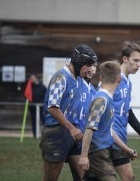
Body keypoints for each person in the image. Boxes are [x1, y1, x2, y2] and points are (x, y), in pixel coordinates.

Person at [39, 44, 98, 181]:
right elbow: (52, 107)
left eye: (93, 65)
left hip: (75, 134)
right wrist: (71, 128)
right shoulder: (61, 77)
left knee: (86, 177)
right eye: (88, 65)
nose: (91, 69)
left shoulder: (79, 80)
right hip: (56, 134)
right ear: (77, 63)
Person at [78, 61, 137, 181]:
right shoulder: (101, 100)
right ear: (119, 80)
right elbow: (89, 128)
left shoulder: (108, 99)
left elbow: (110, 130)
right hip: (97, 153)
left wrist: (125, 149)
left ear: (100, 78)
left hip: (105, 150)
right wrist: (84, 156)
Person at [112, 41, 140, 181]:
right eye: (135, 60)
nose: (138, 65)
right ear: (125, 59)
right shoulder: (113, 79)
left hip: (119, 138)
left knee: (129, 178)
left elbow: (127, 111)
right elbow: (99, 106)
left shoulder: (128, 82)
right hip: (108, 139)